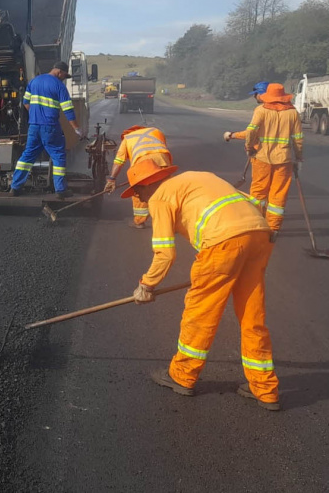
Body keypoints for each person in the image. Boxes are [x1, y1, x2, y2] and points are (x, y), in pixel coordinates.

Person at [124, 159, 280, 411]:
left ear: (147, 184)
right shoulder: (197, 176)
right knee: (252, 316)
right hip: (259, 234)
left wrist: (147, 285)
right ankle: (264, 388)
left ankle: (182, 375)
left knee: (200, 313)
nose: (138, 197)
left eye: (137, 191)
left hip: (223, 243)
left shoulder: (159, 197)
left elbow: (164, 253)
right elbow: (250, 201)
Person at [224, 82, 303, 231]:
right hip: (284, 160)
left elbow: (252, 131)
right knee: (278, 197)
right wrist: (299, 158)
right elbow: (298, 138)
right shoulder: (293, 113)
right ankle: (273, 229)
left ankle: (257, 225)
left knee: (258, 194)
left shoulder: (261, 110)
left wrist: (249, 148)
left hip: (262, 159)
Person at [11, 61, 82, 199]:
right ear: (59, 72)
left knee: (27, 157)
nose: (63, 78)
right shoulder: (59, 86)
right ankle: (60, 190)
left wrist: (35, 114)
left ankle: (15, 187)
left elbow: (25, 103)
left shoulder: (34, 82)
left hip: (34, 126)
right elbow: (68, 110)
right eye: (64, 76)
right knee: (58, 156)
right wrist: (77, 129)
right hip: (50, 127)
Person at [104, 125, 172, 228]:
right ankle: (169, 221)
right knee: (165, 191)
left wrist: (111, 179)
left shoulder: (127, 138)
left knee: (139, 192)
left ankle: (139, 221)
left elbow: (119, 162)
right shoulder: (156, 131)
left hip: (143, 165)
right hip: (163, 162)